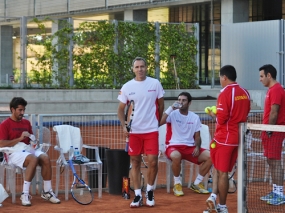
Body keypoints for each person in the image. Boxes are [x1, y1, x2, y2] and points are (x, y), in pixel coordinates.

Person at [117, 57, 165, 208]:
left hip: (151, 130)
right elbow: (120, 109)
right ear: (133, 69)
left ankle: (149, 191)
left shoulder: (155, 83)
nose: (140, 69)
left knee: (153, 162)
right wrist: (124, 126)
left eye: (142, 66)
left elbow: (161, 104)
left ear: (146, 67)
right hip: (135, 132)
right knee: (135, 163)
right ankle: (138, 195)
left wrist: (156, 122)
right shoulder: (127, 86)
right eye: (137, 67)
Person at [204, 65, 250, 213]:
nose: (220, 80)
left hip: (224, 138)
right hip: (237, 137)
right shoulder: (245, 93)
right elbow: (245, 112)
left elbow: (222, 118)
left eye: (220, 77)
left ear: (224, 77)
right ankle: (213, 198)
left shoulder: (224, 93)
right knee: (218, 169)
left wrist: (213, 115)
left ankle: (222, 207)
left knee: (222, 172)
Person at [0, 97, 60, 206]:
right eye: (20, 110)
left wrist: (33, 142)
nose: (22, 112)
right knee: (33, 159)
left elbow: (30, 140)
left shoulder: (26, 123)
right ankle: (25, 194)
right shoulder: (5, 124)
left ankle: (47, 192)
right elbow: (1, 143)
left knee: (45, 157)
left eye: (24, 110)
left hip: (27, 149)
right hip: (12, 153)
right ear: (12, 109)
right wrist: (19, 138)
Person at [160, 92, 212, 196]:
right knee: (176, 156)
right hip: (173, 146)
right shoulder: (172, 114)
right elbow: (160, 122)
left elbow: (197, 136)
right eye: (179, 100)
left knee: (212, 156)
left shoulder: (194, 117)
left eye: (183, 100)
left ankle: (197, 182)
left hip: (190, 147)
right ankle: (177, 184)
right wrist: (171, 108)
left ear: (189, 103)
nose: (181, 102)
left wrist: (197, 147)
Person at [258, 64, 285, 205]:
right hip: (269, 130)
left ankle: (280, 194)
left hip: (274, 131)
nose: (260, 79)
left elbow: (274, 111)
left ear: (269, 75)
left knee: (275, 162)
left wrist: (269, 129)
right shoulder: (271, 90)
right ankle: (275, 191)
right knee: (271, 161)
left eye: (262, 76)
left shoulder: (276, 90)